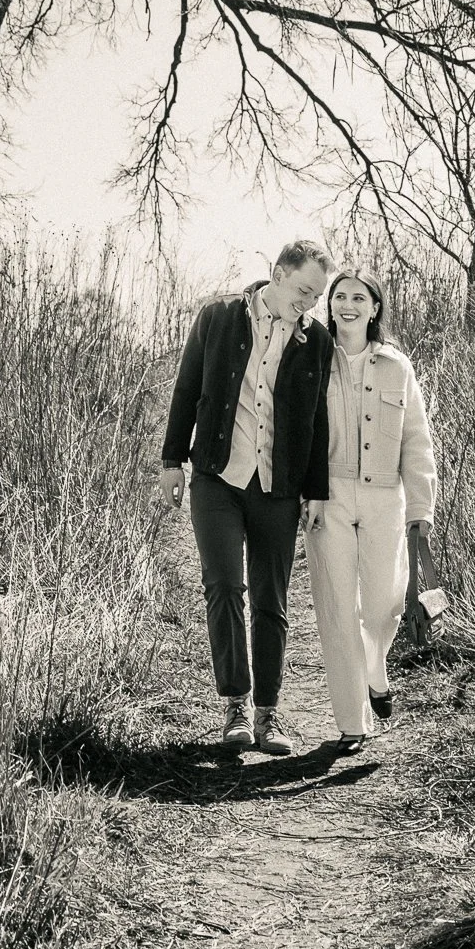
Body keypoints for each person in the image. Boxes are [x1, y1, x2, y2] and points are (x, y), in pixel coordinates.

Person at [160, 240, 335, 754]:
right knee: (222, 586)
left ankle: (268, 714)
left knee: (271, 600)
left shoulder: (316, 342)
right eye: (304, 289)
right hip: (217, 478)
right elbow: (186, 389)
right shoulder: (217, 319)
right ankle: (235, 705)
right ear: (277, 275)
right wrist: (173, 461)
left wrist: (315, 492)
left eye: (317, 296)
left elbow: (316, 422)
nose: (309, 302)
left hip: (276, 487)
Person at [305, 266, 438, 754]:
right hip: (329, 497)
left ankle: (376, 667)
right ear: (330, 304)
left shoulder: (396, 366)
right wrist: (306, 494)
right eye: (340, 296)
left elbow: (416, 440)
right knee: (337, 608)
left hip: (386, 498)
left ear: (375, 307)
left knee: (384, 605)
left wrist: (421, 507)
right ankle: (352, 724)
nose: (348, 305)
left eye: (359, 297)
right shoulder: (314, 359)